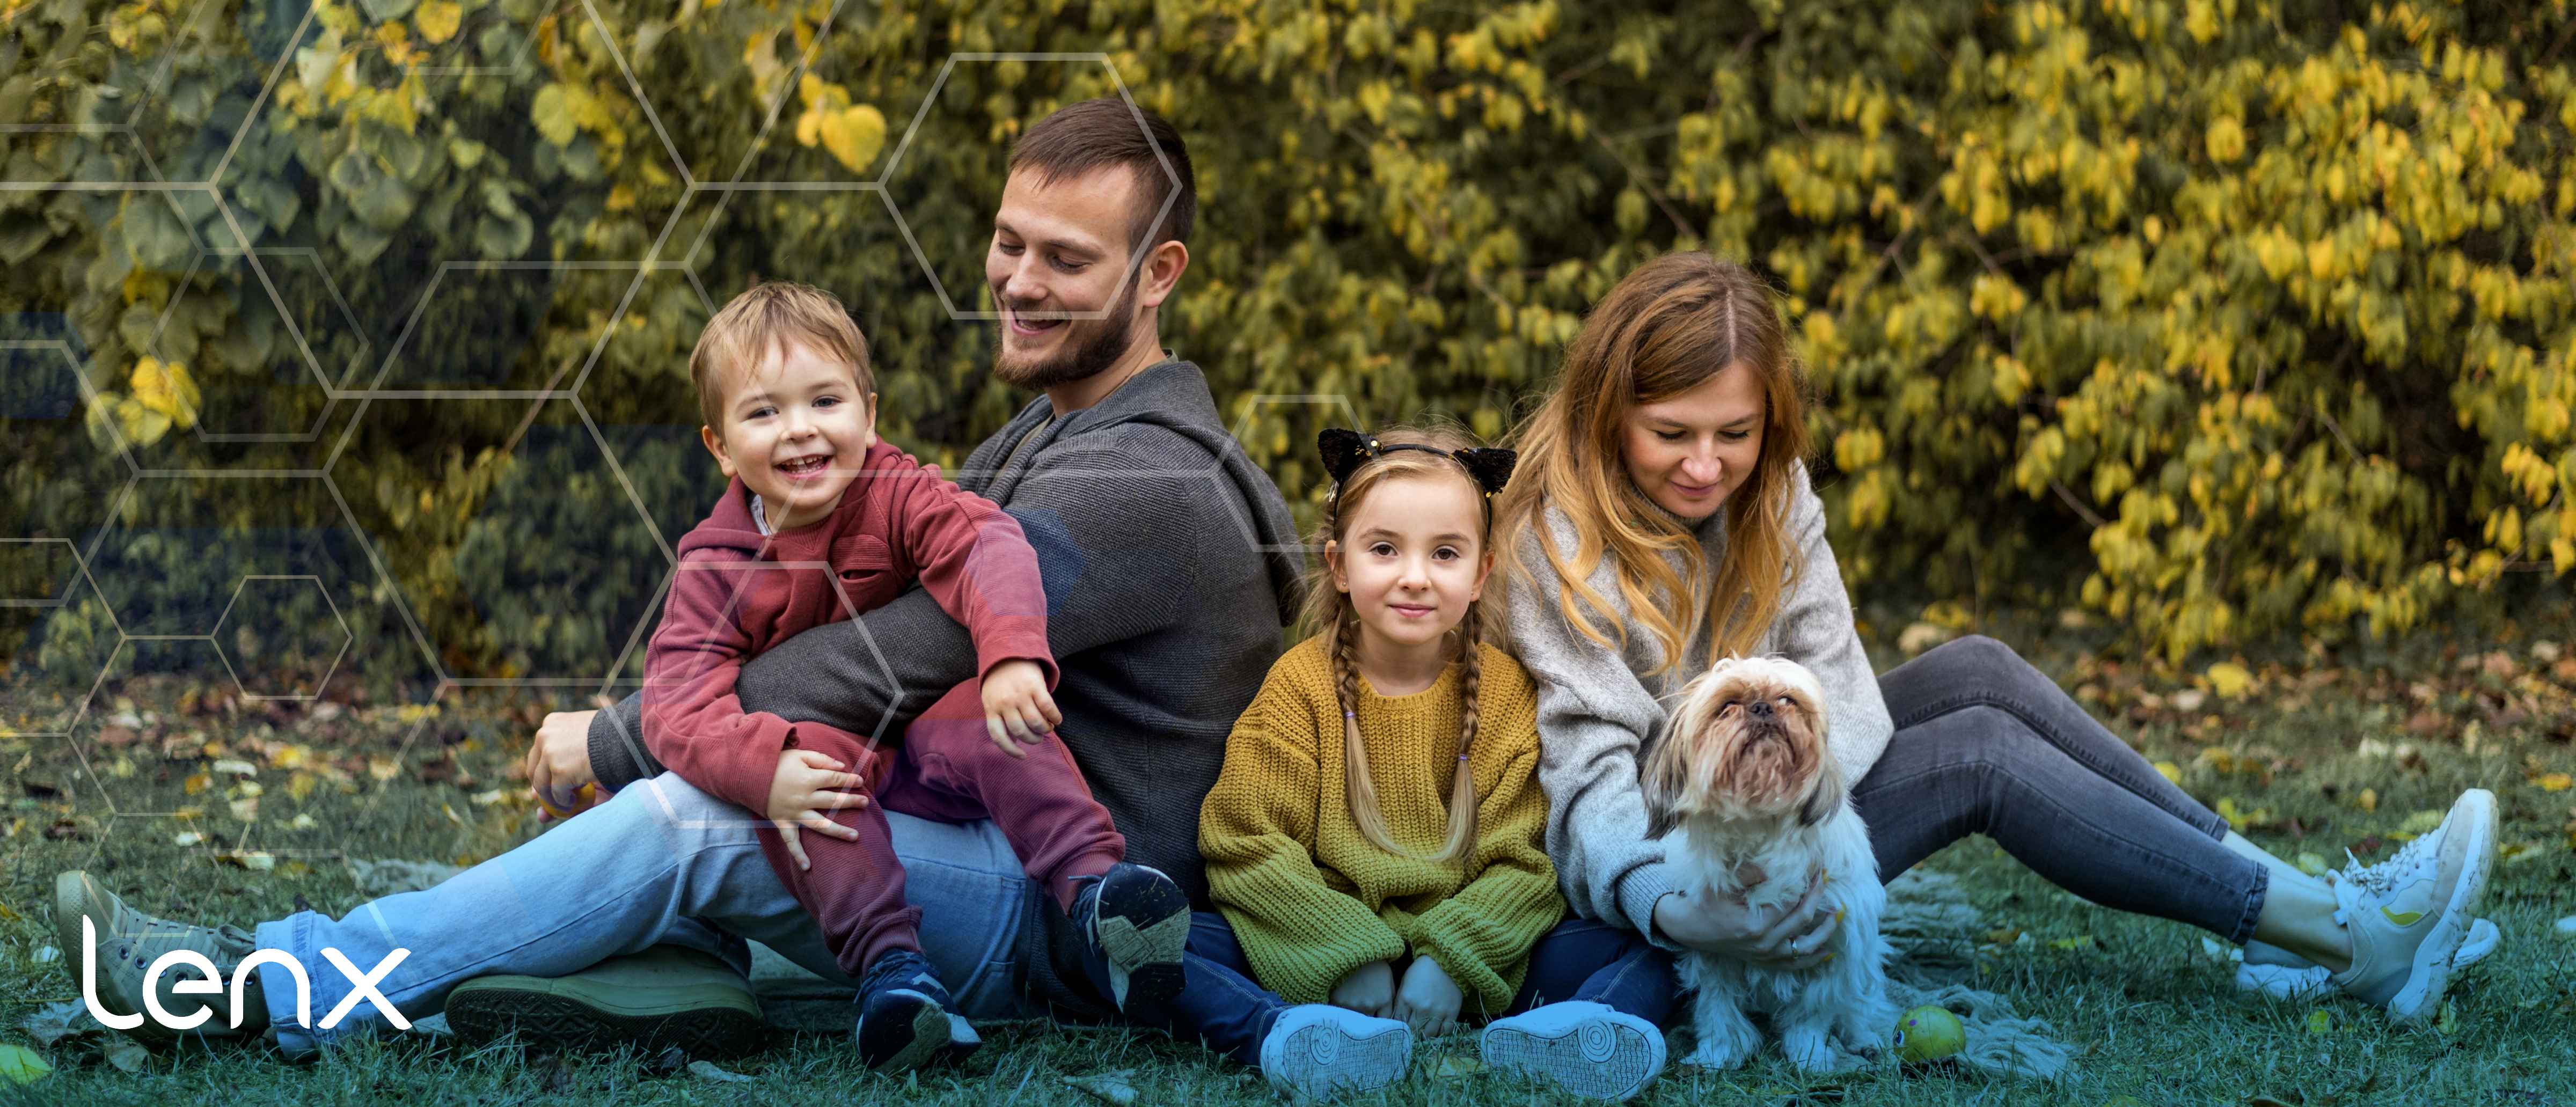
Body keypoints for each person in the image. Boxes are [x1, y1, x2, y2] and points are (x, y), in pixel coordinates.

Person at [53, 97, 1304, 1057]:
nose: (1018, 282)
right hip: (951, 830)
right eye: (1006, 241)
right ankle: (646, 963)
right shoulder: (1045, 434)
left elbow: (890, 653)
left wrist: (625, 735)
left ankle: (260, 985)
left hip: (1065, 907)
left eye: (1066, 261)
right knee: (705, 810)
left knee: (691, 815)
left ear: (1159, 274)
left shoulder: (1142, 481)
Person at [1490, 251, 2501, 1092]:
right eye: (1672, 433)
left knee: (1978, 666)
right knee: (1980, 753)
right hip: (1666, 854)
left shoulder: (1776, 492)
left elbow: (1838, 684)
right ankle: (2350, 939)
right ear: (1605, 408)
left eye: (1736, 433)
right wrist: (1680, 906)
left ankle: (2296, 909)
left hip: (1785, 800)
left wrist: (1796, 780)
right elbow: (1584, 780)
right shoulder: (1553, 539)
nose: (1708, 465)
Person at [632, 279, 1188, 1071]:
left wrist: (1010, 652)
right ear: (719, 444)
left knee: (993, 718)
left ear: (869, 409)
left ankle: (1098, 890)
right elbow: (679, 704)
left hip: (930, 744)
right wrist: (766, 768)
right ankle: (894, 972)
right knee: (812, 773)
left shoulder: (896, 490)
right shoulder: (715, 565)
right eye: (763, 412)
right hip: (832, 763)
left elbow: (984, 544)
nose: (800, 431)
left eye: (825, 401)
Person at [1154, 427, 1672, 1104]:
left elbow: (1526, 862)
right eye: (1384, 549)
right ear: (1339, 564)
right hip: (1319, 949)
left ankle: (1572, 1033)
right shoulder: (1300, 686)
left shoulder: (1507, 694)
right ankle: (1289, 1032)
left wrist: (1448, 962)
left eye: (1446, 552)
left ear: (1481, 572)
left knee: (1651, 938)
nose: (1415, 576)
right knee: (1155, 940)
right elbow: (1244, 841)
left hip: (1472, 953)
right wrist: (1348, 954)